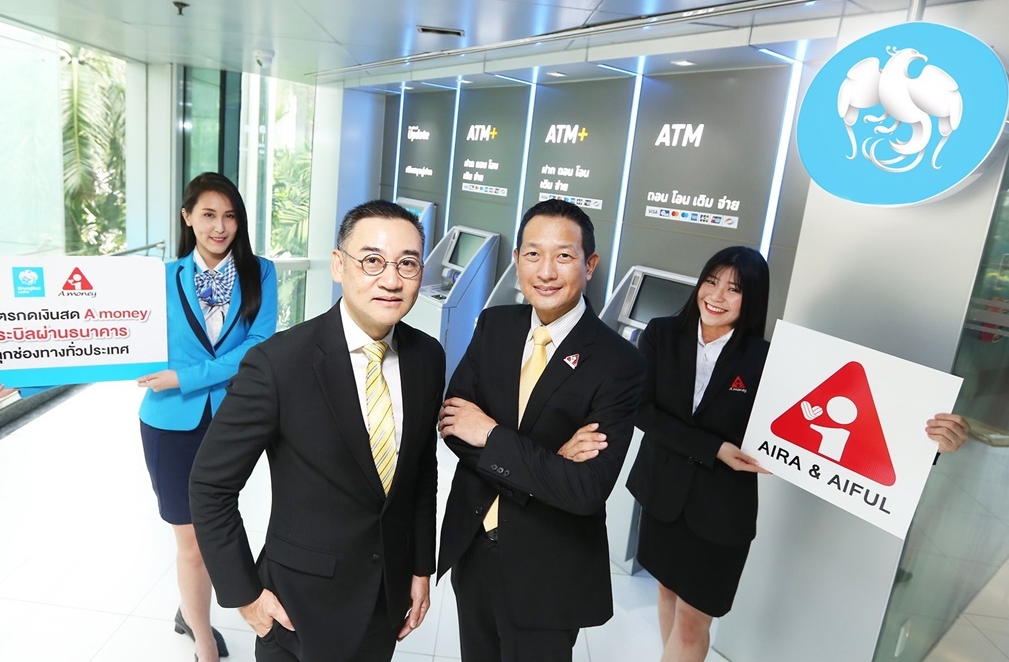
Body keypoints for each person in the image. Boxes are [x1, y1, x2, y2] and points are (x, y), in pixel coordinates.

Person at [624, 246, 971, 662]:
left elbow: (849, 414)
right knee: (666, 590)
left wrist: (928, 445)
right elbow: (641, 410)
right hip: (661, 492)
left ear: (752, 299)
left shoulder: (769, 359)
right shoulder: (661, 334)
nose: (716, 296)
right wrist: (714, 448)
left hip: (718, 511)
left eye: (734, 289)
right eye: (711, 281)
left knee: (692, 624)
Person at [190, 200, 445, 662]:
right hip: (298, 608)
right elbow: (210, 485)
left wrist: (420, 566)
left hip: (384, 597)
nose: (391, 280)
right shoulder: (279, 364)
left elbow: (421, 471)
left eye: (407, 264)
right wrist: (246, 596)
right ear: (338, 265)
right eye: (372, 261)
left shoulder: (427, 357)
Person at [437, 198, 646, 662]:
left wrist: (491, 435)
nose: (546, 271)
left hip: (548, 568)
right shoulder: (495, 325)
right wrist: (551, 462)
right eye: (533, 254)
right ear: (516, 260)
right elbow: (453, 426)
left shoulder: (619, 362)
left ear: (589, 264)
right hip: (473, 547)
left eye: (564, 255)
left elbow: (586, 490)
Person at [137, 172, 278, 662]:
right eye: (209, 215)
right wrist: (22, 382)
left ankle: (188, 607)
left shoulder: (260, 272)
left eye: (230, 216)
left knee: (217, 528)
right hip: (169, 424)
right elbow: (107, 343)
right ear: (187, 217)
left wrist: (185, 377)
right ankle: (202, 638)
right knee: (193, 542)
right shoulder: (160, 277)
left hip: (231, 421)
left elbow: (257, 346)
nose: (220, 227)